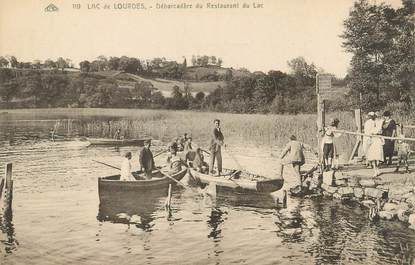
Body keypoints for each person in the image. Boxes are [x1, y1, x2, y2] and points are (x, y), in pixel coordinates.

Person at [366, 113, 385, 177]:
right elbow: (368, 132)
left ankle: (377, 169)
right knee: (372, 156)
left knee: (378, 156)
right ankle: (375, 170)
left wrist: (380, 134)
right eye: (371, 116)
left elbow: (381, 131)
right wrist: (369, 139)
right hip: (372, 140)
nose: (373, 117)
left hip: (378, 140)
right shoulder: (368, 123)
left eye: (374, 116)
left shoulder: (379, 122)